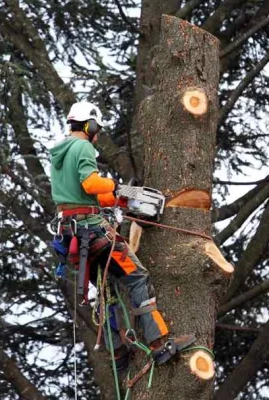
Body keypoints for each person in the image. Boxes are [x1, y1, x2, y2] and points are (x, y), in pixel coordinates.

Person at [49, 101, 195, 368]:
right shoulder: (82, 146)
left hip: (72, 233)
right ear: (89, 124)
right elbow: (91, 183)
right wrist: (115, 185)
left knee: (107, 290)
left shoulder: (60, 153)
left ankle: (117, 352)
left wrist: (116, 198)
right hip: (92, 232)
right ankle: (159, 345)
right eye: (96, 129)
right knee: (137, 277)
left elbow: (83, 195)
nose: (97, 134)